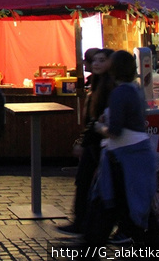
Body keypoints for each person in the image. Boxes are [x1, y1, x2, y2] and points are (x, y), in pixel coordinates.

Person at [84, 50, 159, 252]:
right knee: (135, 209)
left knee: (107, 208)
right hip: (133, 155)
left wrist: (99, 128)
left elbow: (115, 131)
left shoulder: (120, 92)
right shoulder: (135, 90)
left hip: (123, 157)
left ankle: (90, 250)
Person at [57, 48, 114, 235]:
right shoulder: (96, 83)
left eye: (100, 60)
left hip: (101, 142)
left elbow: (97, 119)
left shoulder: (107, 86)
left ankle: (91, 224)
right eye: (93, 60)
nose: (94, 64)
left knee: (95, 183)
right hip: (94, 141)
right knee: (84, 182)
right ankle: (83, 222)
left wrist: (84, 141)